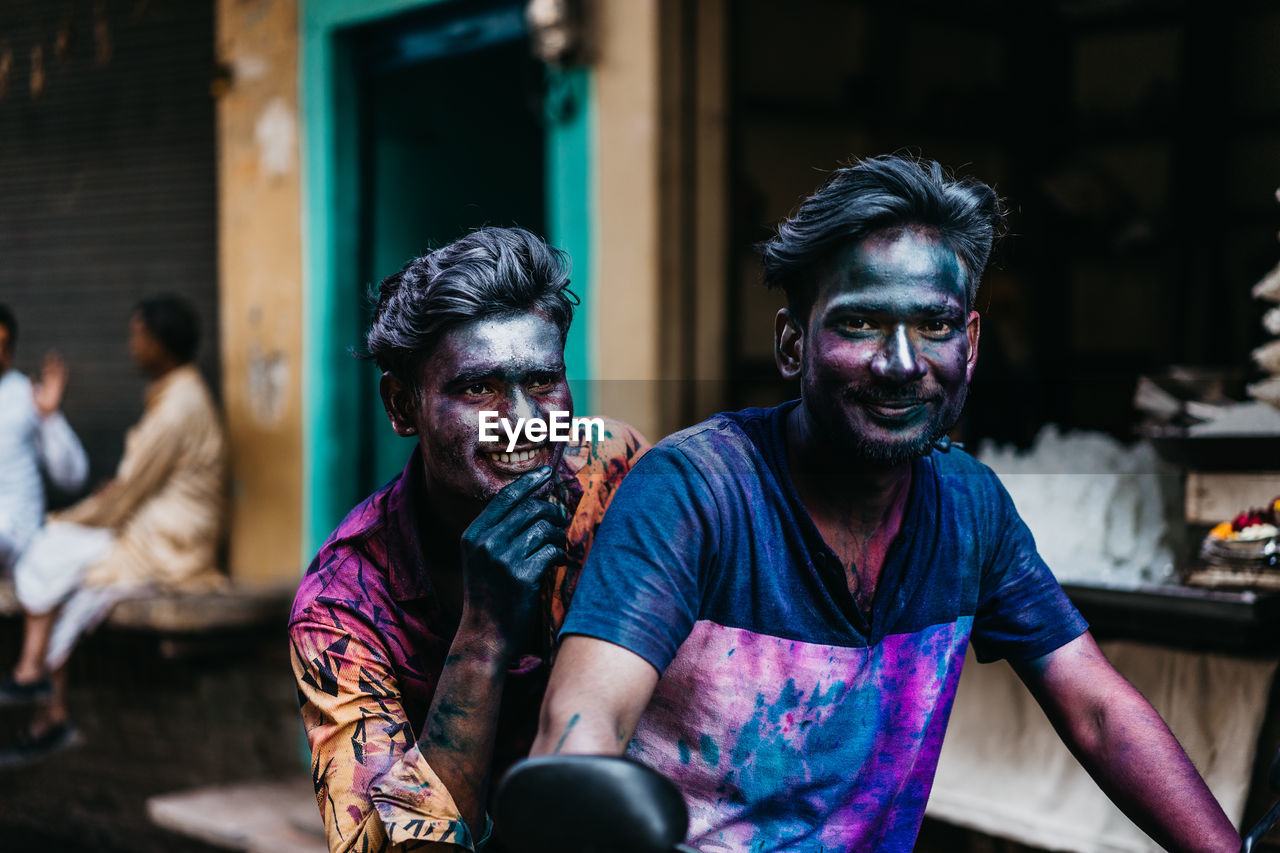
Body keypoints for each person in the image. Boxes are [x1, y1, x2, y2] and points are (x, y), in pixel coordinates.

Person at [531, 155, 1242, 852]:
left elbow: (1098, 710)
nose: (902, 363)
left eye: (933, 326)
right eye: (861, 323)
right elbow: (583, 724)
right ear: (791, 343)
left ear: (968, 344)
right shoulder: (695, 491)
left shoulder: (971, 508)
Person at [288, 227, 647, 852]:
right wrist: (482, 632)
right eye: (477, 389)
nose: (525, 423)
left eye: (542, 382)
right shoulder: (342, 607)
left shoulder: (613, 470)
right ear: (402, 407)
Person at [0, 294, 228, 764]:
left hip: (168, 545)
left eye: (137, 337)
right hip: (154, 531)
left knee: (53, 553)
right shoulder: (176, 395)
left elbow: (124, 493)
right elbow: (136, 484)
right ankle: (48, 709)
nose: (130, 348)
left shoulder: (177, 406)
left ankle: (36, 687)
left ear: (159, 345)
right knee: (59, 567)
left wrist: (66, 516)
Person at [0, 304, 89, 573]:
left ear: (10, 351)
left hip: (15, 535)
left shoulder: (28, 396)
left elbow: (73, 477)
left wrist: (49, 418)